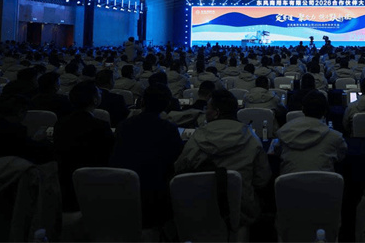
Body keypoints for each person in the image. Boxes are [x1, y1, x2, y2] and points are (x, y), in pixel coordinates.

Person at [174, 90, 272, 226]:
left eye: (207, 109)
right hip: (242, 211)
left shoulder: (196, 138)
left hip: (200, 209)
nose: (205, 112)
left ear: (216, 113)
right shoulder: (252, 138)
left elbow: (179, 170)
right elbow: (262, 180)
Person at [110, 83, 183, 227]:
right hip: (156, 196)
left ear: (142, 101)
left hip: (122, 191)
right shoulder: (169, 128)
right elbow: (177, 162)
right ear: (167, 104)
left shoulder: (124, 125)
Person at [53, 80, 115, 211]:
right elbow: (109, 154)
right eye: (99, 93)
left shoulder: (60, 123)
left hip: (65, 184)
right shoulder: (101, 126)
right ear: (95, 100)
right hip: (96, 182)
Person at [274, 91, 347, 174]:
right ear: (325, 111)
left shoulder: (284, 133)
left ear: (302, 109)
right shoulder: (335, 137)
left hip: (289, 181)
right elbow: (341, 155)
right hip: (323, 181)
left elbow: (277, 151)